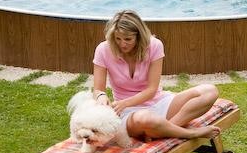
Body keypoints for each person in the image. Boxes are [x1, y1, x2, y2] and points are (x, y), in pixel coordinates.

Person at [92, 10, 221, 141]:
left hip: (159, 102)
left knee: (209, 91)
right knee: (145, 119)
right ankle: (190, 133)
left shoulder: (154, 45)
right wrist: (101, 96)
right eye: (117, 39)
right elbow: (98, 90)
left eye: (128, 39)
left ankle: (164, 129)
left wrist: (125, 103)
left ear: (139, 36)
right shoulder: (103, 50)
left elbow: (152, 90)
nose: (122, 44)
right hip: (130, 112)